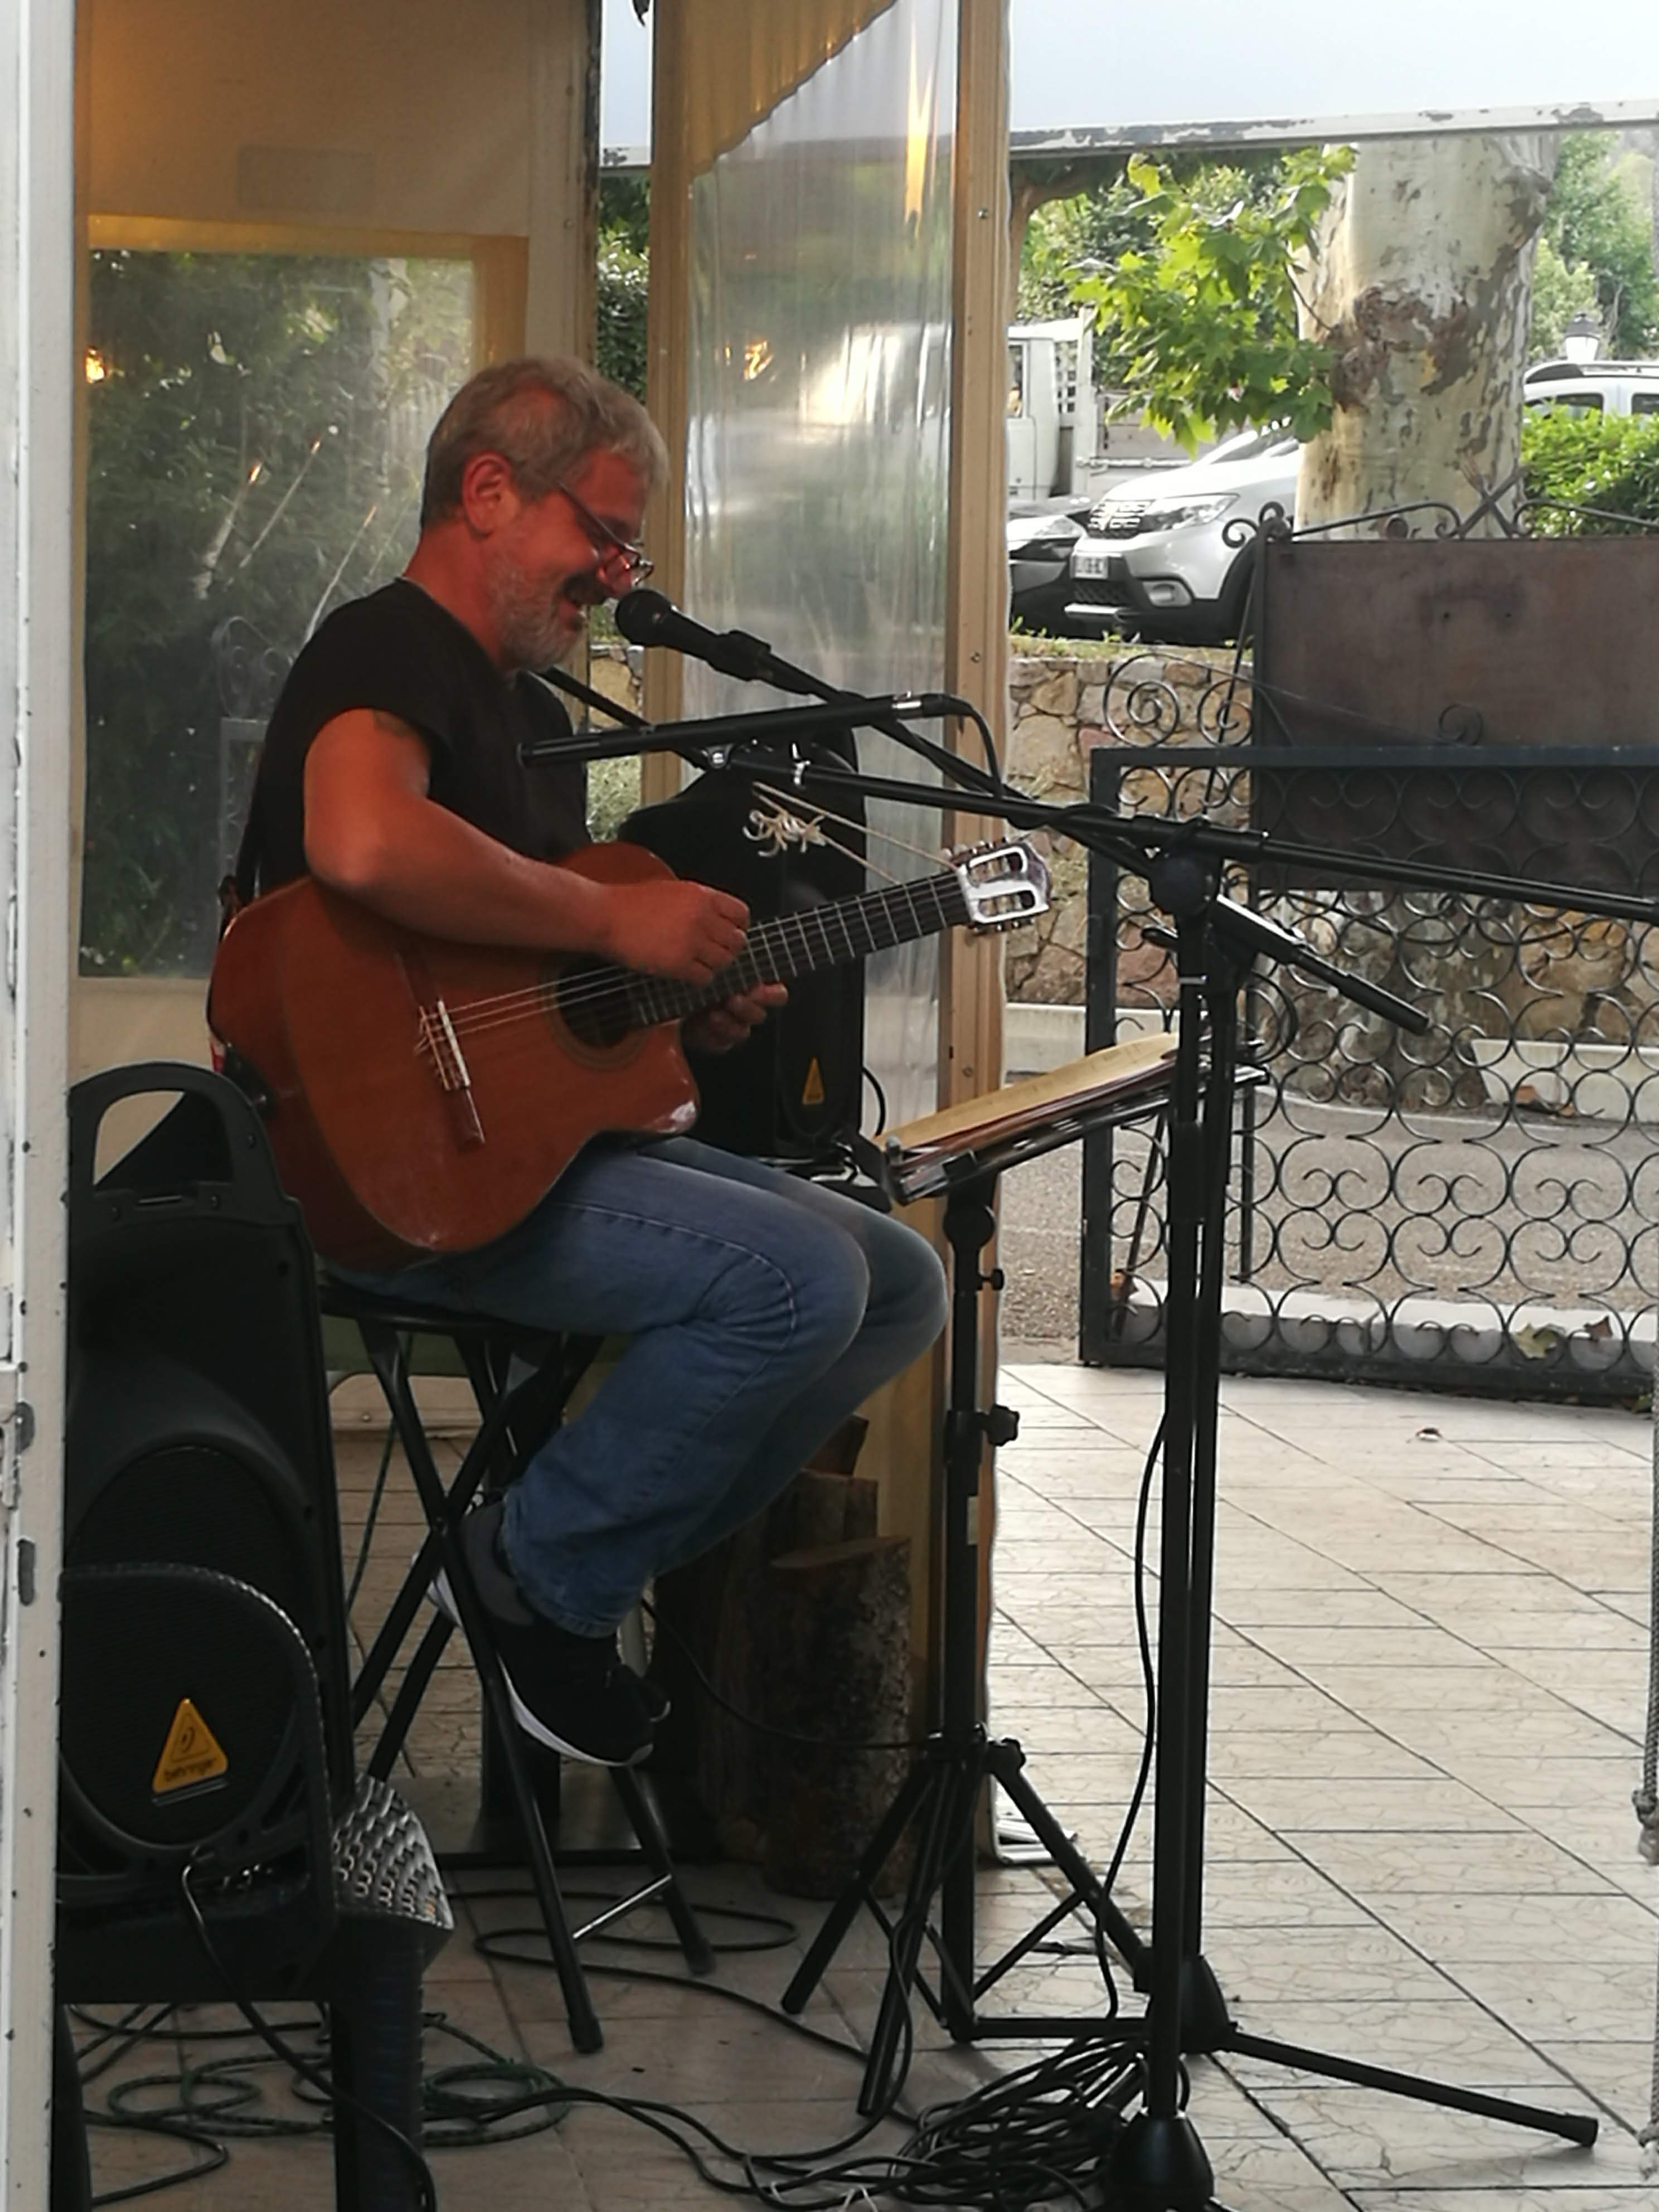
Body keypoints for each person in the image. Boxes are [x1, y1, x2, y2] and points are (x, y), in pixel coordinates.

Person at [239, 355, 948, 1767]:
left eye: (632, 552)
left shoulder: (536, 722)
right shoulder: (385, 650)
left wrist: (667, 1005)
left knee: (898, 1285)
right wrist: (618, 918)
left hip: (514, 1152)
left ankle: (570, 1567)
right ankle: (537, 1580)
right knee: (796, 1282)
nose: (618, 578)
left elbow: (536, 985)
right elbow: (363, 842)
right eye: (604, 535)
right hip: (383, 1174)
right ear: (488, 492)